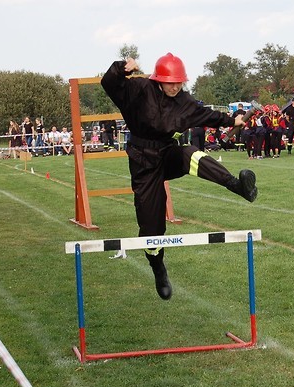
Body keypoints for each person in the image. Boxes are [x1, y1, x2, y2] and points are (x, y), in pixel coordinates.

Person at [101, 54, 257, 300]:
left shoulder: (185, 101)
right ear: (159, 79)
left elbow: (207, 115)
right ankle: (158, 269)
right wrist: (122, 68)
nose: (175, 87)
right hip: (143, 164)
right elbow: (109, 83)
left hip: (167, 154)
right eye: (170, 82)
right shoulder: (139, 89)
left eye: (179, 82)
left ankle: (238, 186)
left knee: (190, 154)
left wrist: (232, 120)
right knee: (151, 228)